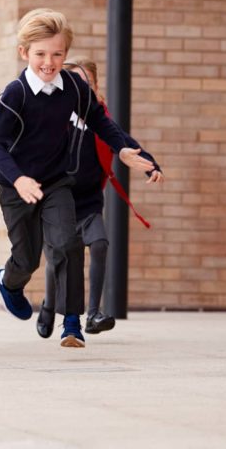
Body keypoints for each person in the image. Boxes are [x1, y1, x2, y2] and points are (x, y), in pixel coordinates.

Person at [0, 8, 157, 348]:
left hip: (56, 182)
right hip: (16, 187)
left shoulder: (74, 87)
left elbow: (100, 120)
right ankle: (9, 281)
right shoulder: (15, 93)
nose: (49, 63)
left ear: (65, 54)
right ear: (24, 53)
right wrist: (19, 179)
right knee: (28, 258)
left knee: (67, 244)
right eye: (40, 55)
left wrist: (124, 149)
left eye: (57, 54)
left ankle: (72, 324)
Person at [57, 57, 163, 336]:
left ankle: (93, 314)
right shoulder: (56, 120)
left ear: (95, 87)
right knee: (64, 258)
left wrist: (152, 166)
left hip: (90, 200)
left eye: (88, 84)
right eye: (77, 84)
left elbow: (127, 143)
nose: (83, 89)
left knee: (100, 244)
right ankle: (50, 308)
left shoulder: (100, 122)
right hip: (60, 201)